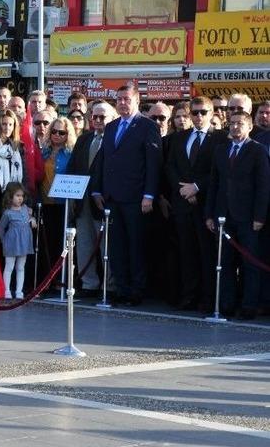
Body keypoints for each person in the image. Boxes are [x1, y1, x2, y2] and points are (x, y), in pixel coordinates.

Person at [91, 85, 162, 307]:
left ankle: (136, 291)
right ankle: (121, 289)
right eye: (119, 99)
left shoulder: (148, 126)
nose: (122, 103)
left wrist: (149, 194)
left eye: (127, 99)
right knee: (117, 247)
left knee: (135, 246)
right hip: (112, 197)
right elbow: (104, 160)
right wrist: (97, 190)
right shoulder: (111, 126)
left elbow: (153, 163)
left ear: (137, 101)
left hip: (136, 198)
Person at [165, 96, 229, 312]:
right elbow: (170, 166)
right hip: (182, 204)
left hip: (207, 206)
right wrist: (183, 189)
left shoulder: (221, 138)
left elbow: (220, 171)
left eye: (203, 112)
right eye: (195, 112)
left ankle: (208, 298)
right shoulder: (179, 137)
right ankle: (188, 296)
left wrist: (197, 187)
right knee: (186, 252)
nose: (198, 116)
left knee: (207, 253)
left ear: (212, 114)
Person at [205, 115, 269, 320]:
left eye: (239, 124)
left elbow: (263, 186)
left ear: (249, 127)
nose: (234, 127)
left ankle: (249, 305)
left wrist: (259, 216)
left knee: (250, 263)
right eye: (231, 123)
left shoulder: (257, 150)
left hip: (248, 217)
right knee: (224, 262)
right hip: (223, 216)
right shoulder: (221, 150)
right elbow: (214, 184)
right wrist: (209, 214)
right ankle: (227, 304)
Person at [67, 101, 116, 298]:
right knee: (84, 243)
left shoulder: (115, 139)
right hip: (83, 200)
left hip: (104, 200)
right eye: (94, 116)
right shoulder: (84, 139)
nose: (97, 120)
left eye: (102, 117)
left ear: (112, 118)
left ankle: (110, 286)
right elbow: (73, 167)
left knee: (107, 246)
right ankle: (89, 284)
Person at [40, 117, 76, 273]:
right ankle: (46, 277)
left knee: (61, 242)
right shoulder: (43, 151)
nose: (57, 135)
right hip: (44, 202)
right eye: (54, 131)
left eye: (61, 132)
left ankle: (61, 276)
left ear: (68, 134)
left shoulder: (72, 153)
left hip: (64, 204)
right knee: (46, 242)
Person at [0, 183, 36, 299]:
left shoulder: (25, 209)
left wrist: (32, 219)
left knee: (20, 267)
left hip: (24, 243)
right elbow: (1, 227)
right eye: (17, 195)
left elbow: (29, 218)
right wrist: (3, 241)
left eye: (22, 196)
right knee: (9, 267)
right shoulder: (7, 213)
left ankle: (19, 291)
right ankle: (6, 291)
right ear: (10, 197)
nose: (20, 198)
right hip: (11, 243)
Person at [0, 109, 26, 194]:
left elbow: (25, 176)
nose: (7, 128)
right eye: (4, 124)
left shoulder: (19, 147)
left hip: (14, 196)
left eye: (10, 124)